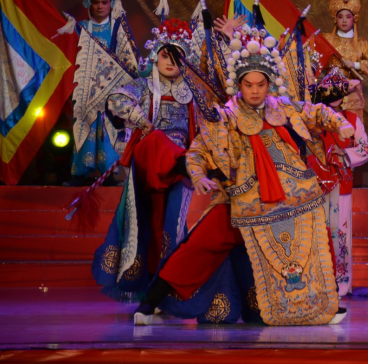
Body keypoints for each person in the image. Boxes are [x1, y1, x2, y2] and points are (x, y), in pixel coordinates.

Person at [132, 24, 355, 326]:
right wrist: (198, 176)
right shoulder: (226, 116)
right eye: (248, 85)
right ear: (239, 85)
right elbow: (198, 151)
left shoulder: (283, 107)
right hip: (243, 200)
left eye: (260, 84)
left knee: (318, 236)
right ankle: (151, 301)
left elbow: (316, 112)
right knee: (200, 245)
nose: (254, 90)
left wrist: (340, 123)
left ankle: (328, 304)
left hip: (291, 195)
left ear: (268, 84)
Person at [91, 18, 199, 301]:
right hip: (148, 160)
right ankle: (136, 280)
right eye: (165, 55)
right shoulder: (145, 85)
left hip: (181, 164)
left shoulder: (193, 92)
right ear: (155, 57)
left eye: (177, 57)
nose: (170, 62)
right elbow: (116, 100)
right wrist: (140, 119)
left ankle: (168, 286)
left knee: (173, 222)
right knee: (140, 219)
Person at [62, 0, 139, 183]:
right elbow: (70, 55)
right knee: (84, 128)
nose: (100, 6)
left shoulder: (117, 29)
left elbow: (129, 60)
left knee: (108, 130)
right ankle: (80, 173)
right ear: (90, 4)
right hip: (86, 89)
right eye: (96, 2)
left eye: (104, 2)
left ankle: (109, 173)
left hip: (111, 90)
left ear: (110, 4)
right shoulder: (81, 27)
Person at [308, 68, 368, 296]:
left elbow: (365, 149)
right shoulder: (314, 119)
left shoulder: (352, 120)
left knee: (340, 233)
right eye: (331, 90)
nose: (335, 95)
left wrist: (344, 154)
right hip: (317, 185)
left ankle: (341, 284)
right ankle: (318, 281)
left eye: (339, 90)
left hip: (342, 184)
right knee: (319, 232)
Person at [320, 0, 368, 119]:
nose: (344, 21)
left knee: (352, 126)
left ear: (354, 19)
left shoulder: (362, 44)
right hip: (329, 90)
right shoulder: (326, 40)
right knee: (329, 125)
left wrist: (355, 65)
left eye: (348, 17)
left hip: (352, 94)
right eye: (340, 17)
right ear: (335, 19)